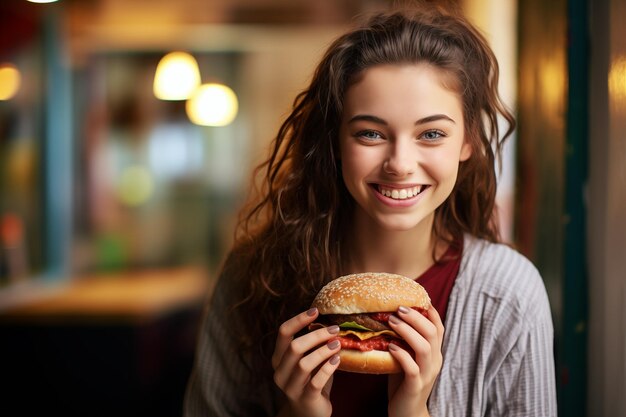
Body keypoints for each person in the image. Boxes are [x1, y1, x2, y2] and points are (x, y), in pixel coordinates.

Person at [183, 4, 557, 417]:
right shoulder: (251, 276)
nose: (399, 163)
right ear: (336, 142)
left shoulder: (509, 296)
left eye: (431, 134)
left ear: (467, 141)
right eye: (370, 133)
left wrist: (413, 410)